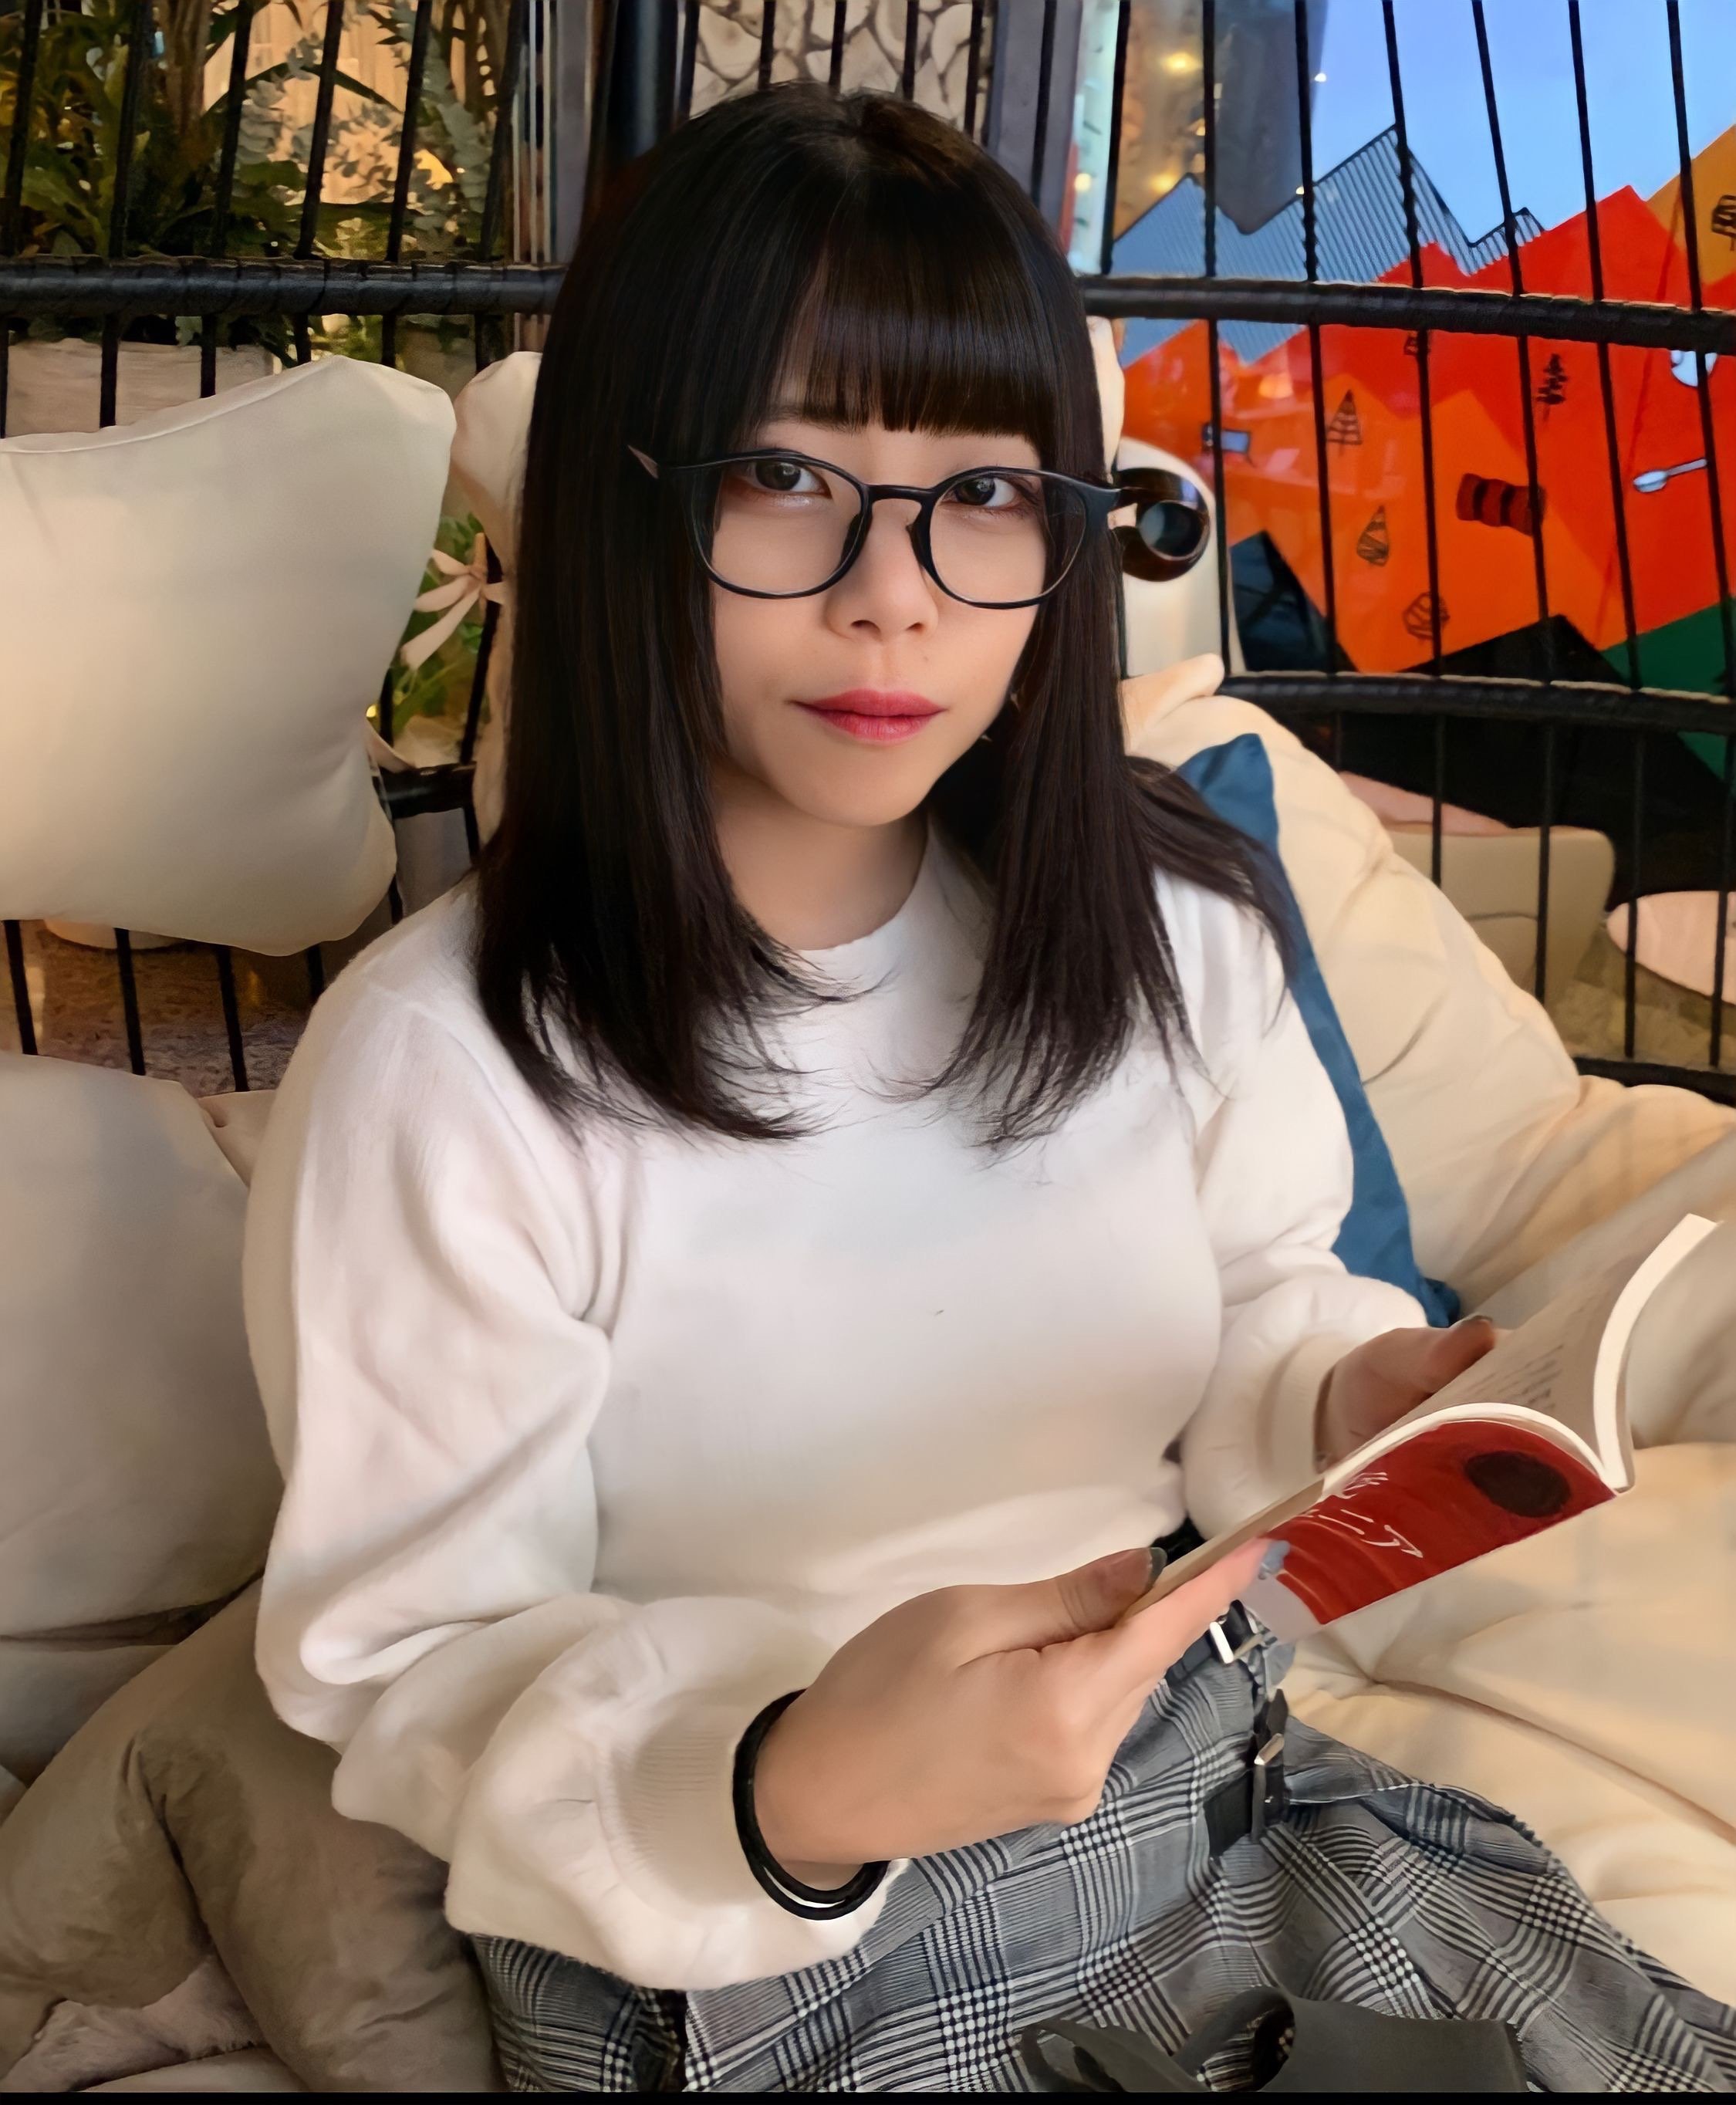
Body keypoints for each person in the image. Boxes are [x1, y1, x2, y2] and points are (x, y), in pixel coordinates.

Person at [243, 86, 1735, 2093]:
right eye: (788, 477)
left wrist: (1348, 1395)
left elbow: (1260, 1297)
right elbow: (413, 1660)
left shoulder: (1168, 927)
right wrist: (793, 1782)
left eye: (988, 493)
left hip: (1218, 1790)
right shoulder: (446, 1065)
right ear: (621, 500)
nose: (897, 594)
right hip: (747, 1939)